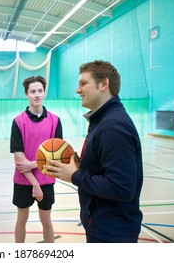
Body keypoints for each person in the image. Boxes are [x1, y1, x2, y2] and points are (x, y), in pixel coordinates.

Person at [45, 60, 143, 243]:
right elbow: (104, 169)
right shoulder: (102, 120)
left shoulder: (113, 126)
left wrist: (74, 176)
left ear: (104, 84)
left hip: (113, 233)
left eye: (83, 83)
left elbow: (121, 188)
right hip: (102, 224)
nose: (77, 90)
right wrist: (80, 165)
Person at [10, 75, 63, 243]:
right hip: (23, 181)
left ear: (44, 92)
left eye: (40, 90)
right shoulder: (18, 122)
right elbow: (19, 160)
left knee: (46, 222)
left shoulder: (55, 121)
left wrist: (32, 164)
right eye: (33, 91)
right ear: (26, 94)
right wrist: (35, 184)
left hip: (46, 180)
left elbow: (57, 155)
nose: (37, 95)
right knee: (21, 220)